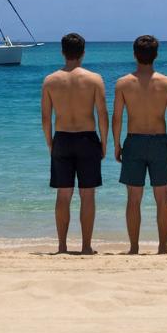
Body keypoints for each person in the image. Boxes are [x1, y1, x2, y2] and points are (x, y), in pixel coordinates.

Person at [41, 33, 109, 254]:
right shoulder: (94, 79)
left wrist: (50, 143)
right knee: (87, 195)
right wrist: (105, 143)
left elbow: (45, 117)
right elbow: (102, 114)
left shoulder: (51, 80)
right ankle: (86, 246)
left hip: (62, 137)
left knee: (63, 194)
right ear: (83, 53)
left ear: (63, 52)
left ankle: (62, 246)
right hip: (87, 138)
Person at [112, 35, 167, 255]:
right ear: (156, 55)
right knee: (163, 199)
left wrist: (116, 144)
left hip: (134, 140)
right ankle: (163, 248)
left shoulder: (123, 83)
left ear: (134, 54)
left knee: (133, 199)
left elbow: (117, 117)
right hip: (159, 140)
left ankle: (134, 247)